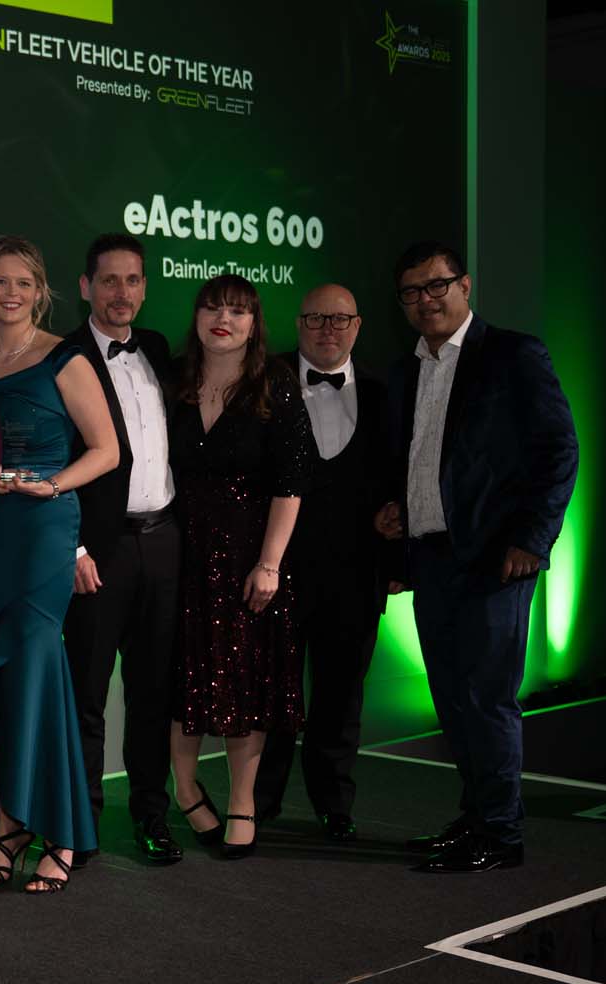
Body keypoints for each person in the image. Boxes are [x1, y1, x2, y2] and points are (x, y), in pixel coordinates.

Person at [377, 241, 577, 873]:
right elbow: (420, 459)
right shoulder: (407, 371)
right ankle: (475, 819)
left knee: (488, 698)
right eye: (412, 292)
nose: (425, 300)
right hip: (431, 556)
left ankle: (501, 833)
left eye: (436, 285)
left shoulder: (514, 354)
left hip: (496, 560)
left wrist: (533, 540)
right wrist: (396, 511)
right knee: (452, 698)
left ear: (465, 286)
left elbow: (559, 450)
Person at [0, 235, 119, 893]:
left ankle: (61, 832)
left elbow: (107, 450)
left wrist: (50, 486)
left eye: (23, 282)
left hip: (43, 531)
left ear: (41, 291)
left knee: (34, 673)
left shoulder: (64, 357)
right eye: (0, 281)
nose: (11, 293)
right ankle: (9, 825)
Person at [167, 274, 313, 860]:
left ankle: (243, 801)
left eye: (237, 311)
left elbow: (291, 481)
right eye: (212, 308)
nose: (223, 319)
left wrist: (269, 563)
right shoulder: (173, 379)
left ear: (255, 324)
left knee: (246, 680)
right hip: (178, 551)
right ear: (196, 317)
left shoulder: (274, 383)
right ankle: (184, 789)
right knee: (182, 677)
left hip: (250, 558)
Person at [59, 234, 182, 865]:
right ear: (86, 287)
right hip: (98, 551)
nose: (121, 292)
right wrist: (74, 548)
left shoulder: (156, 348)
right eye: (109, 280)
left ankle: (152, 817)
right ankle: (81, 825)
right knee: (86, 693)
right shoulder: (62, 356)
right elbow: (52, 458)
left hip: (163, 543)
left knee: (152, 692)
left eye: (132, 280)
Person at [253, 285, 390, 842]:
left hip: (357, 573)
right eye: (316, 318)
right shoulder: (263, 383)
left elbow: (398, 479)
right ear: (298, 323)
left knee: (341, 695)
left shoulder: (385, 393)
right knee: (272, 693)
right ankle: (257, 803)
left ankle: (334, 802)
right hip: (278, 570)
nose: (328, 329)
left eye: (339, 319)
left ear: (357, 326)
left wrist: (397, 557)